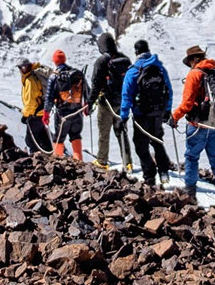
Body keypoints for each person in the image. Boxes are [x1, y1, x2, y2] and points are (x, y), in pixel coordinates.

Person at [170, 45, 215, 210]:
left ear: (193, 60)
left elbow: (187, 102)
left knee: (191, 157)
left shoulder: (195, 74)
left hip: (198, 123)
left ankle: (190, 193)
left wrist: (174, 117)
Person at [119, 40, 174, 187]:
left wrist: (123, 117)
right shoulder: (160, 68)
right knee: (157, 140)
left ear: (136, 52)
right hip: (158, 112)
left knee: (140, 145)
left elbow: (126, 96)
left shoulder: (133, 71)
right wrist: (167, 110)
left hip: (141, 115)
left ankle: (149, 176)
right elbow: (168, 90)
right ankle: (164, 172)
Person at [91, 33, 134, 171]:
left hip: (106, 103)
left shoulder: (102, 61)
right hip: (122, 102)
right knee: (121, 130)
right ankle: (128, 162)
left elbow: (96, 84)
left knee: (104, 132)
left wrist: (89, 102)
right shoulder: (125, 59)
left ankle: (102, 160)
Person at [42, 49, 90, 162]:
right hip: (77, 112)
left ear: (55, 61)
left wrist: (46, 114)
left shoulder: (54, 76)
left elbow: (49, 98)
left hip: (62, 114)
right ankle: (79, 161)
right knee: (76, 136)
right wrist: (87, 108)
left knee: (58, 138)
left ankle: (57, 162)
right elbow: (87, 91)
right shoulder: (77, 73)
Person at [18, 58, 52, 154]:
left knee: (31, 140)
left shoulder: (30, 80)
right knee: (42, 137)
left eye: (24, 67)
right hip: (41, 112)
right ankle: (50, 157)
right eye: (21, 67)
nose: (22, 69)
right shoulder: (34, 76)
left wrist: (25, 115)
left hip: (34, 114)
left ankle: (37, 160)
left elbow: (31, 102)